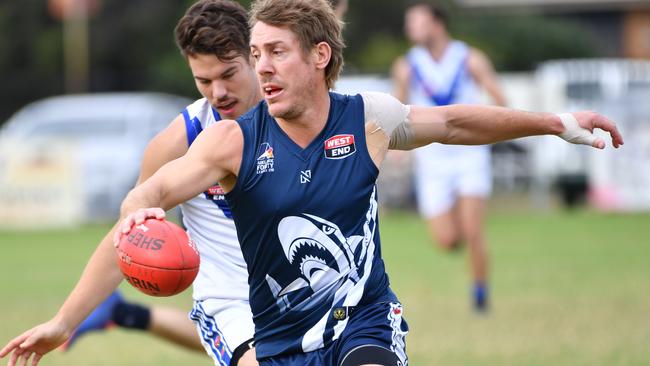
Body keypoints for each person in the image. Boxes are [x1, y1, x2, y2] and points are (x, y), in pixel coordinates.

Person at [3, 0, 623, 364]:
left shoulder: (362, 116)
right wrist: (69, 314)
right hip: (238, 310)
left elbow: (454, 121)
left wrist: (558, 123)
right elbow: (141, 208)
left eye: (237, 70)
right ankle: (125, 317)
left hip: (354, 310)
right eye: (202, 82)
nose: (220, 92)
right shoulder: (205, 139)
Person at [0, 1, 262, 365]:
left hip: (308, 296)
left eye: (228, 74)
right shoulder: (180, 140)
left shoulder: (296, 119)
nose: (218, 92)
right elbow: (128, 233)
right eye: (204, 80)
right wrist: (64, 322)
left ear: (255, 56)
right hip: (231, 306)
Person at [392, 2, 507, 311]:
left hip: (470, 155)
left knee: (473, 231)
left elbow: (499, 98)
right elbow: (395, 109)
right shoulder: (407, 66)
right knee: (445, 240)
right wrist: (394, 149)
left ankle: (480, 294)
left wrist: (496, 127)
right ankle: (457, 223)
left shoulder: (470, 58)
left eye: (416, 21)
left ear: (437, 23)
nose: (410, 28)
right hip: (433, 160)